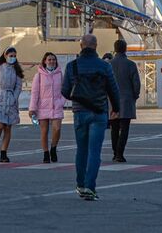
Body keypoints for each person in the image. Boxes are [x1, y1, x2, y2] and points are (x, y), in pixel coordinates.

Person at [61, 34, 120, 201]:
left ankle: (80, 184)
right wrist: (116, 108)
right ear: (96, 46)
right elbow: (113, 89)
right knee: (95, 151)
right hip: (99, 112)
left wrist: (78, 97)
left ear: (81, 46)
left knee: (81, 149)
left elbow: (65, 91)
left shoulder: (72, 66)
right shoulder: (104, 66)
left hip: (80, 113)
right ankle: (89, 187)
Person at [0, 47, 24, 163]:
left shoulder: (17, 69)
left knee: (7, 127)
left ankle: (3, 152)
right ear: (5, 55)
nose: (12, 58)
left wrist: (14, 98)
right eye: (10, 55)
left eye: (14, 56)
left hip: (11, 101)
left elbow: (18, 87)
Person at [28, 52, 65, 164]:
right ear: (45, 61)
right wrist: (32, 108)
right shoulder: (39, 75)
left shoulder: (59, 74)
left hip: (56, 106)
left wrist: (61, 102)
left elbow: (64, 90)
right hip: (42, 106)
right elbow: (34, 93)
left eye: (53, 59)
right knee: (44, 131)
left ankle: (53, 148)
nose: (52, 61)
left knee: (57, 129)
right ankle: (45, 153)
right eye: (49, 59)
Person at [109, 40, 141, 163]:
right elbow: (136, 83)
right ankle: (120, 153)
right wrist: (135, 96)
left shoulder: (109, 64)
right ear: (125, 49)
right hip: (126, 100)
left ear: (115, 49)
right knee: (125, 129)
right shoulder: (131, 65)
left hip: (112, 101)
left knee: (114, 128)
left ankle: (115, 153)